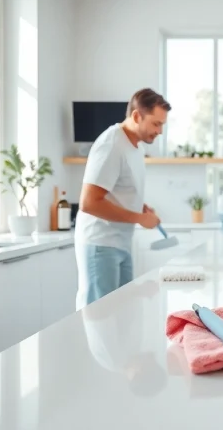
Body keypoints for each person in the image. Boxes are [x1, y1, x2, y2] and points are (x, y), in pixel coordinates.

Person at [74, 88, 170, 310]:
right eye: (156, 124)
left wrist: (140, 207)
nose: (160, 131)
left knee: (122, 313)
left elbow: (117, 191)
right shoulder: (111, 144)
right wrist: (137, 217)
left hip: (120, 243)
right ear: (137, 116)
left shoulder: (134, 146)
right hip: (100, 244)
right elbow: (89, 202)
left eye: (162, 125)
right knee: (100, 316)